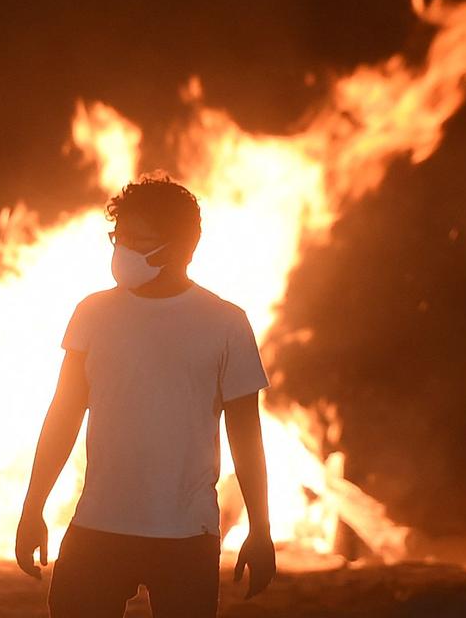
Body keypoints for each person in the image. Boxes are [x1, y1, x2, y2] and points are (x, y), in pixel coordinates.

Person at [15, 174, 276, 617]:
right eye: (119, 237)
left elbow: (246, 434)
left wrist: (261, 528)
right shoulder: (93, 313)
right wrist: (32, 507)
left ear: (178, 249)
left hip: (187, 537)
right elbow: (63, 414)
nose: (122, 250)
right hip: (97, 527)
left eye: (138, 240)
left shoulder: (226, 323)